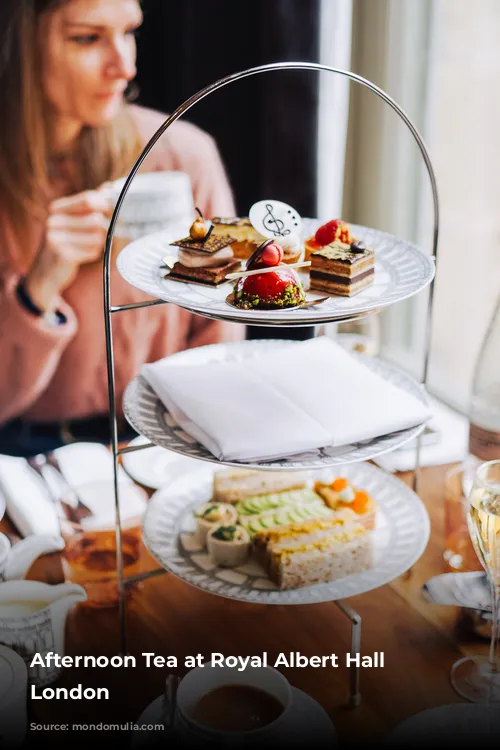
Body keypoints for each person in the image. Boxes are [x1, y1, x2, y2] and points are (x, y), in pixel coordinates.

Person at [0, 0, 241, 457]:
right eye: (87, 38)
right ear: (18, 45)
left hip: (162, 443)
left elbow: (218, 347)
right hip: (20, 456)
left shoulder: (184, 158)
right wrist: (40, 286)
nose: (124, 66)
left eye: (129, 32)